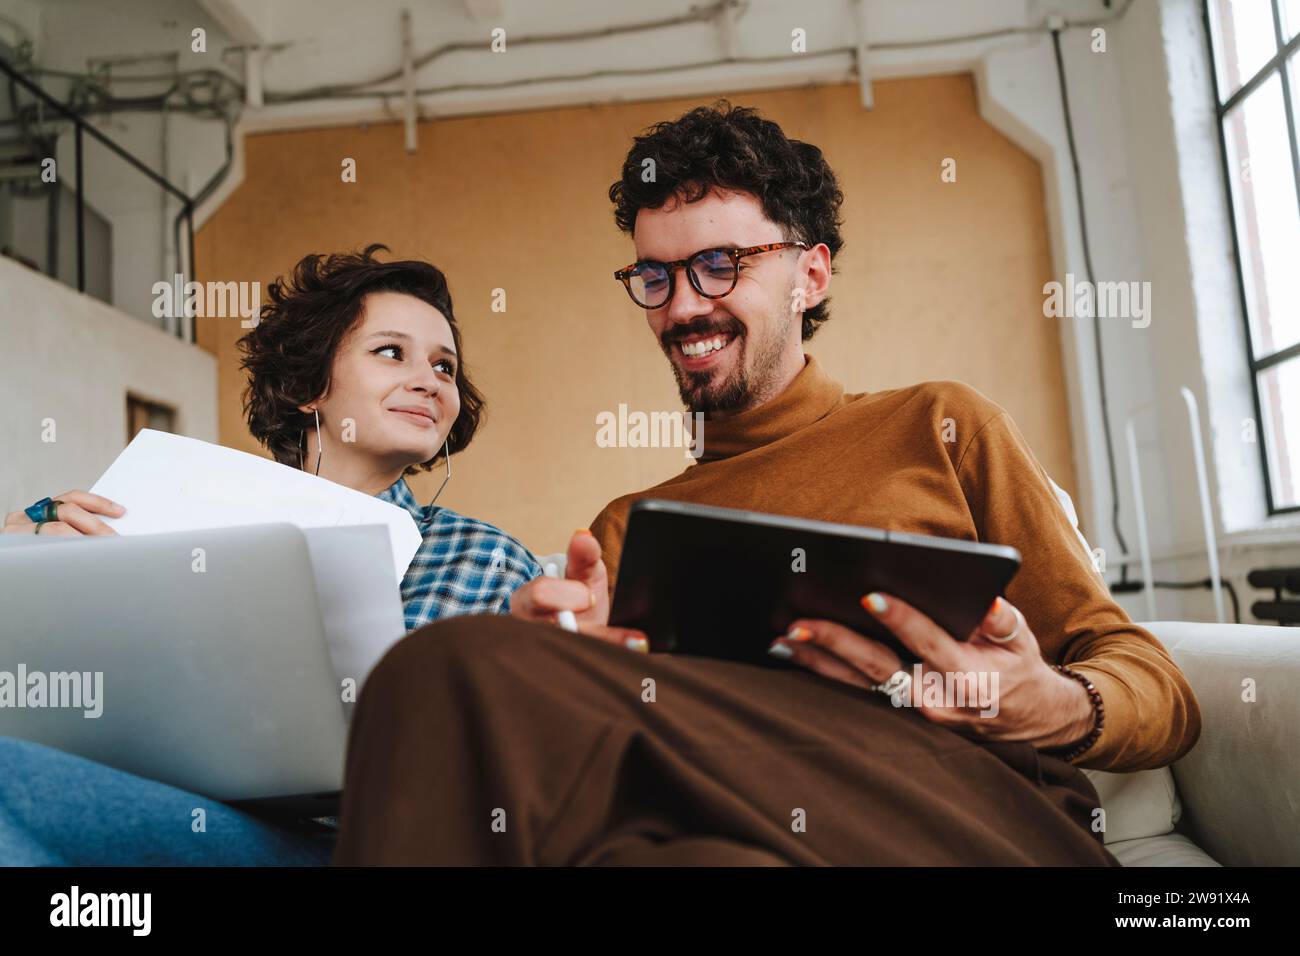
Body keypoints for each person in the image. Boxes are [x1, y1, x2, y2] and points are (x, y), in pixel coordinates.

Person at [332, 103, 1202, 866]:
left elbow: (1157, 689)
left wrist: (1048, 704)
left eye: (720, 264)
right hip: (749, 826)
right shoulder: (630, 526)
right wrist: (558, 669)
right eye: (656, 277)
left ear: (809, 274)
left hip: (975, 815)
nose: (681, 308)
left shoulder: (938, 424)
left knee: (447, 666)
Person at [0, 245, 541, 865]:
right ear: (310, 386)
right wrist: (23, 566)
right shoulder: (161, 508)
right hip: (174, 813)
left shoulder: (484, 556)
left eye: (445, 367)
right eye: (391, 352)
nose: (428, 379)